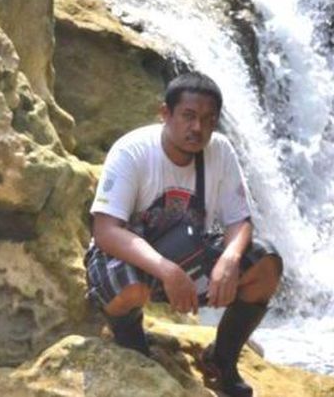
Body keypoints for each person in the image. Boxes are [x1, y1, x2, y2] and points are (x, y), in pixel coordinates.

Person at [84, 72, 282, 397]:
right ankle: (130, 339)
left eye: (208, 120)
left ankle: (221, 360)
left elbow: (240, 221)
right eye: (188, 116)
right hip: (127, 258)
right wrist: (167, 271)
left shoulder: (219, 151)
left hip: (188, 256)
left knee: (266, 264)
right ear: (165, 114)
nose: (197, 128)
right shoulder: (132, 152)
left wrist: (230, 260)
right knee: (130, 287)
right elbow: (105, 231)